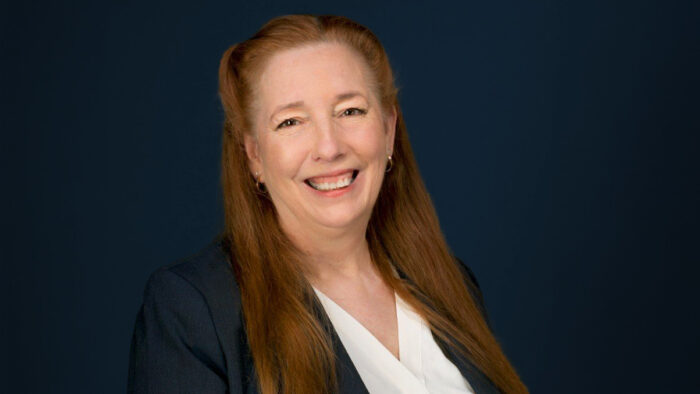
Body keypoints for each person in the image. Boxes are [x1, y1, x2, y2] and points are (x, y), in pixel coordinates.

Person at [127, 14, 527, 394]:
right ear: (253, 156)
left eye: (350, 111)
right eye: (291, 121)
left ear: (389, 131)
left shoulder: (450, 284)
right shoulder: (196, 310)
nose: (330, 147)